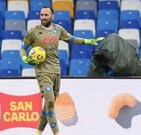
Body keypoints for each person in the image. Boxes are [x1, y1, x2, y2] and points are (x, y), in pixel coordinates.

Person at [20, 7, 103, 135]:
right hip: (42, 72)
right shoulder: (33, 31)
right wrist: (25, 58)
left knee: (49, 103)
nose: (43, 17)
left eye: (46, 15)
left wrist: (88, 41)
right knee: (50, 101)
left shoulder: (57, 29)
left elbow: (71, 39)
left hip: (56, 70)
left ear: (52, 15)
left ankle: (38, 132)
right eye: (41, 15)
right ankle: (57, 133)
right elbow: (23, 48)